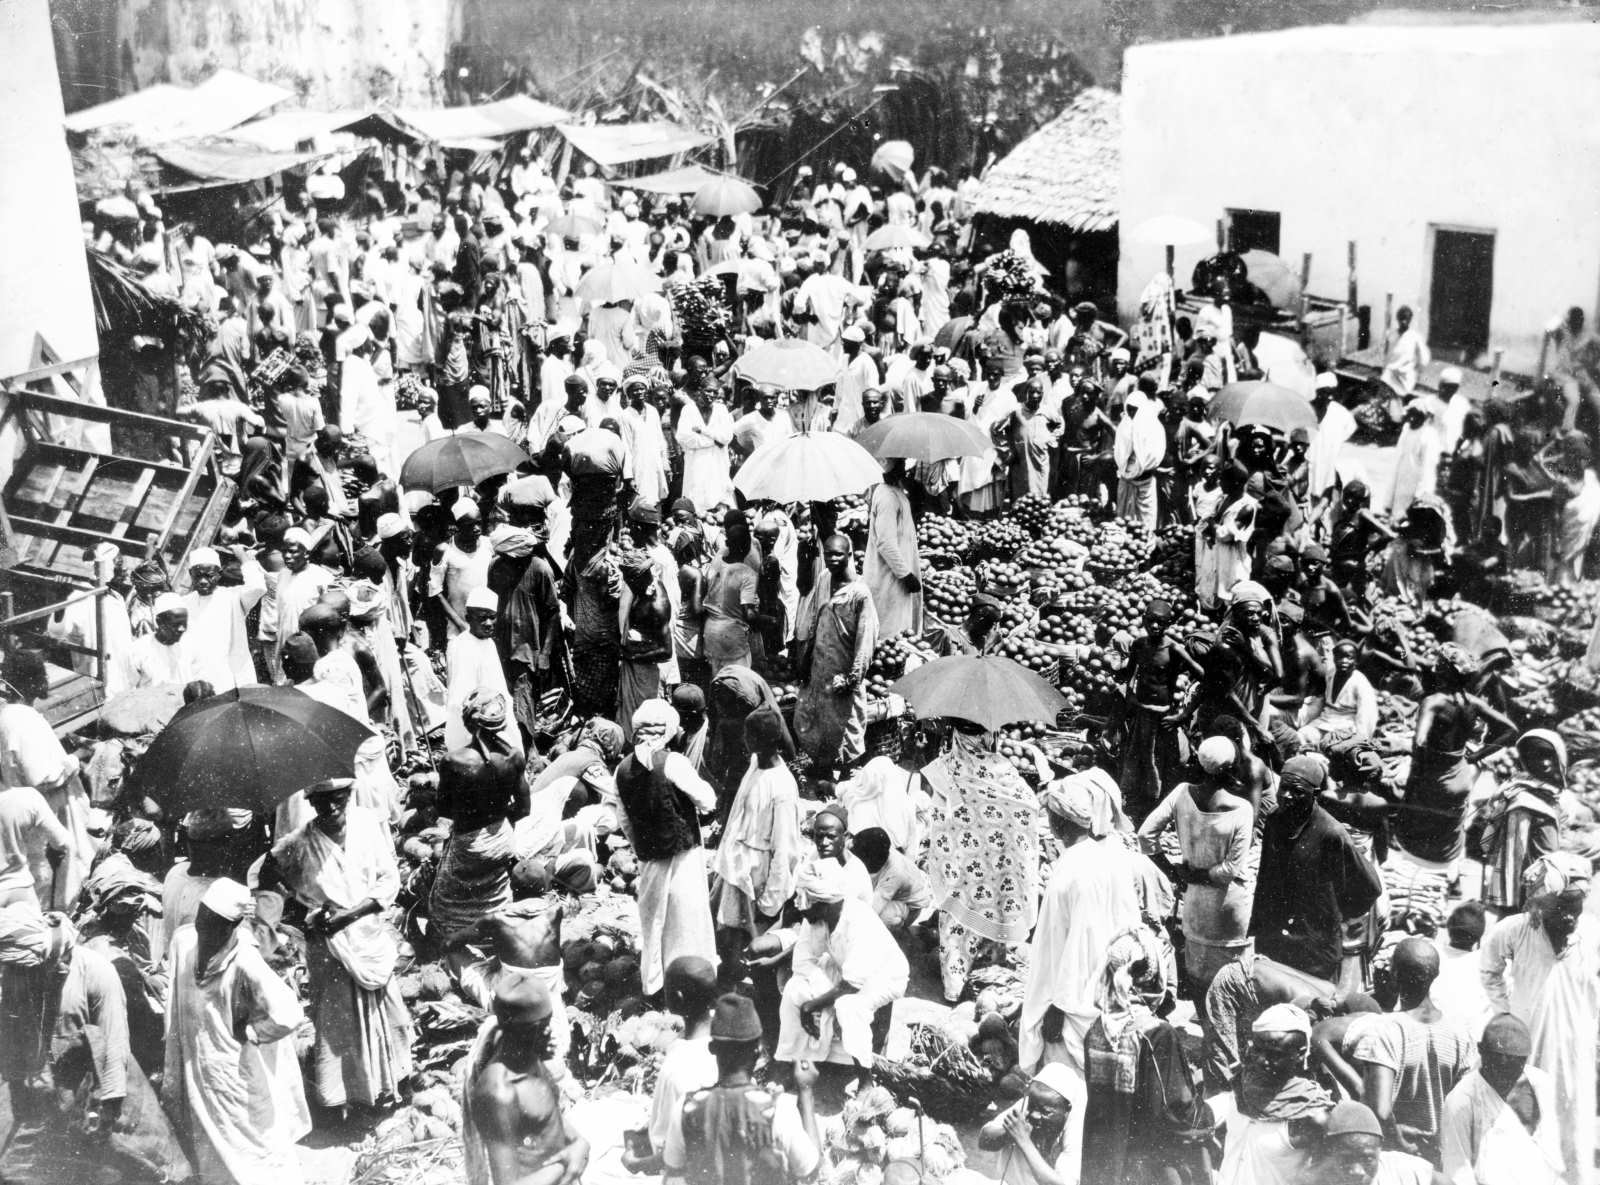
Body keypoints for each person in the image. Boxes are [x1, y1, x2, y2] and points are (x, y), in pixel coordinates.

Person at [261, 779, 413, 1115]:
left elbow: (389, 879)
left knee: (390, 1015)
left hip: (368, 937)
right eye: (322, 802)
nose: (331, 808)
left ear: (349, 796)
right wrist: (303, 905)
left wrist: (350, 914)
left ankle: (397, 1081)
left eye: (338, 799)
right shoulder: (300, 842)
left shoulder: (366, 825)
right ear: (311, 804)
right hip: (330, 945)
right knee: (338, 1024)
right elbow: (266, 873)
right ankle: (349, 1098)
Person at [164, 878, 311, 1185]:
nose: (204, 929)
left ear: (231, 926)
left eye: (213, 924)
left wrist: (255, 1032)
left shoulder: (244, 959)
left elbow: (288, 1012)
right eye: (202, 918)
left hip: (231, 1070)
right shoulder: (184, 941)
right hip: (197, 1062)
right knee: (208, 1140)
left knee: (249, 1140)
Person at [1479, 853, 1599, 1185]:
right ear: (1540, 908)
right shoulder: (1517, 930)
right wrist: (1504, 1013)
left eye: (1575, 909)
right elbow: (1488, 970)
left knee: (1575, 1123)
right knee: (1525, 1121)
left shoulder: (1593, 934)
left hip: (1575, 1052)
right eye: (1562, 909)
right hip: (1528, 1045)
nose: (1570, 917)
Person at [1019, 772, 1141, 1073]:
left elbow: (1070, 946)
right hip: (1107, 992)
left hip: (1074, 1002)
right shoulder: (1113, 857)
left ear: (1059, 822)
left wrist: (1057, 1007)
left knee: (1066, 1079)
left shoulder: (1071, 868)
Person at [1079, 928, 1212, 1185]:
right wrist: (1209, 1111)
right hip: (1147, 1166)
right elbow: (1177, 1111)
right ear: (1153, 976)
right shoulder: (1157, 1034)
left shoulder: (1097, 1030)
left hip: (1103, 1163)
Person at [925, 722, 1044, 1003]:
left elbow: (938, 820)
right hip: (998, 866)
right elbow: (1029, 806)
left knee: (957, 921)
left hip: (959, 866)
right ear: (989, 735)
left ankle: (954, 987)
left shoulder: (941, 770)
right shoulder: (1003, 770)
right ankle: (989, 979)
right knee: (997, 913)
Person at [761, 861, 908, 1082]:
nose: (800, 906)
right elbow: (802, 962)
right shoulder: (815, 916)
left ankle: (865, 1080)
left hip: (883, 975)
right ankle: (795, 1059)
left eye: (805, 900)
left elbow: (852, 984)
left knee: (848, 1007)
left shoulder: (858, 919)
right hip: (844, 967)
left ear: (825, 903)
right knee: (794, 989)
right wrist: (812, 994)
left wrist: (813, 1005)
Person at [1138, 736, 1257, 999]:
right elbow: (1230, 870)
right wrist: (1199, 875)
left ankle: (1205, 1022)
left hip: (1195, 904)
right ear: (1231, 767)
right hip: (1229, 907)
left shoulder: (1181, 793)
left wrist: (1174, 873)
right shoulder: (1241, 809)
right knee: (1232, 982)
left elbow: (1145, 835)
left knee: (1198, 977)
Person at [615, 699, 719, 996]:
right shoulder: (673, 762)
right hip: (683, 854)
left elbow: (624, 820)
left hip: (650, 859)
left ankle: (655, 986)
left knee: (655, 923)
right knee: (687, 922)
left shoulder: (622, 769)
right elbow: (707, 799)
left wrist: (642, 845)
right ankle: (694, 985)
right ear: (668, 731)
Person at [1340, 938, 1474, 1166]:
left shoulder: (1386, 1029)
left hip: (1395, 1157)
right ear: (1436, 975)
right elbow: (1464, 1105)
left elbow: (1381, 1111)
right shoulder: (1460, 1032)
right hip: (1437, 1156)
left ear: (1394, 976)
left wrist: (1398, 1139)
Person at [1251, 755, 1382, 983]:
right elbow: (1265, 877)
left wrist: (1335, 915)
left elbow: (1370, 887)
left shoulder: (1331, 833)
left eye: (1297, 791)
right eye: (1283, 788)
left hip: (1315, 947)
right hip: (1275, 940)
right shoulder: (1274, 819)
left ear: (1315, 794)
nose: (1286, 796)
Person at [670, 994, 822, 1185]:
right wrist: (806, 1091)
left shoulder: (685, 1107)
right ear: (758, 1050)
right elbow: (810, 1172)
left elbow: (672, 1174)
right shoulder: (778, 1109)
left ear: (712, 1048)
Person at [462, 977, 589, 1185]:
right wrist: (564, 1164)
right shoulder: (499, 1092)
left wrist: (579, 1143)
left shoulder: (531, 1058)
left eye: (548, 1022)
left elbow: (546, 1119)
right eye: (539, 1027)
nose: (548, 1031)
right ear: (514, 1031)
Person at [429, 689, 529, 945]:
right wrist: (498, 821)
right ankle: (496, 930)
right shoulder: (514, 755)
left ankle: (458, 938)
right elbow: (524, 808)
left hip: (470, 846)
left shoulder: (453, 760)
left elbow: (444, 810)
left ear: (469, 722)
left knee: (447, 900)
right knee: (496, 892)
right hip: (503, 840)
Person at [1208, 1004, 1333, 1185]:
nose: (1261, 1060)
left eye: (1274, 1054)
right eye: (1257, 1049)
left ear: (1300, 1054)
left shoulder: (1311, 1112)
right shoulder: (1242, 1089)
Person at [712, 710, 804, 951]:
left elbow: (785, 848)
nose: (744, 739)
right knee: (727, 936)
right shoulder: (755, 764)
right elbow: (738, 816)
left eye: (748, 735)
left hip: (757, 877)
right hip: (736, 867)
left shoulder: (782, 786)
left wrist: (771, 900)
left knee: (749, 943)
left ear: (762, 740)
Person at [622, 956, 720, 1178]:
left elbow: (677, 1152)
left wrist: (635, 1163)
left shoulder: (678, 1069)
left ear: (678, 997)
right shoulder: (726, 1039)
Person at [1440, 1013, 1565, 1185]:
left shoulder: (1542, 1084)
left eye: (1515, 1064)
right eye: (1498, 1064)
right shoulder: (1462, 1100)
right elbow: (1458, 1172)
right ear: (1481, 1051)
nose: (1505, 1075)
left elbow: (1551, 1154)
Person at [793, 533, 879, 773]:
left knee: (846, 726)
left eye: (838, 555)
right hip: (820, 668)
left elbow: (866, 640)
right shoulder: (824, 578)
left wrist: (853, 679)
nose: (832, 559)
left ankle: (848, 776)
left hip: (842, 672)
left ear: (849, 555)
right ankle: (823, 771)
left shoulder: (860, 594)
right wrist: (805, 660)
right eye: (828, 554)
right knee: (814, 722)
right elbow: (816, 621)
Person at [1474, 730, 1566, 916]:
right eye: (1536, 757)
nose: (1545, 763)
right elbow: (1514, 857)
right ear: (1526, 760)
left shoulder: (1549, 792)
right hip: (1530, 890)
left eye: (1549, 756)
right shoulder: (1523, 801)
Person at [445, 588, 524, 754]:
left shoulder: (489, 643)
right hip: (475, 724)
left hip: (497, 716)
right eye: (482, 618)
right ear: (468, 618)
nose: (488, 623)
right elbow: (461, 699)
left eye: (492, 617)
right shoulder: (461, 646)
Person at [979, 1062, 1083, 1185]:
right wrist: (1007, 1134)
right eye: (1032, 1106)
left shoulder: (1076, 1128)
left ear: (1067, 1110)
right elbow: (983, 1141)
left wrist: (1023, 1140)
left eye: (1045, 1112)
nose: (1035, 1115)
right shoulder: (1031, 1103)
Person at [181, 544, 265, 691]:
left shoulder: (233, 597)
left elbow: (258, 587)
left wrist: (242, 556)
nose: (203, 581)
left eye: (209, 575)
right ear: (190, 574)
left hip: (229, 680)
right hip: (197, 682)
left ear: (219, 574)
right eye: (198, 575)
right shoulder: (184, 603)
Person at [1294, 1101, 1439, 1185]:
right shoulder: (1313, 1181)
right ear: (1330, 1152)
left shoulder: (1398, 1168)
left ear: (1379, 1151)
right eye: (1346, 1159)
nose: (1357, 1171)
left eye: (1368, 1159)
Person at [864, 460, 922, 637]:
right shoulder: (887, 497)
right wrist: (906, 575)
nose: (903, 468)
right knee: (890, 632)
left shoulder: (894, 491)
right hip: (890, 577)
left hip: (894, 573)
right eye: (900, 464)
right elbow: (886, 543)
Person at [851, 826, 931, 933]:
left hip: (909, 908)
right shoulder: (876, 849)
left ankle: (896, 930)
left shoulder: (896, 873)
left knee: (876, 921)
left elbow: (873, 909)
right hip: (891, 892)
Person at [1113, 388, 1165, 530]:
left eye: (1134, 410)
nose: (1131, 413)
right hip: (1127, 480)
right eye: (1128, 409)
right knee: (1124, 522)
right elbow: (1121, 452)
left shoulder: (1154, 428)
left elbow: (1153, 456)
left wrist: (1141, 466)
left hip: (1145, 483)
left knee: (1145, 522)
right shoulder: (1124, 426)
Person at [1382, 306, 1430, 398]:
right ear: (1397, 319)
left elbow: (1424, 358)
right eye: (1401, 319)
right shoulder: (1392, 335)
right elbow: (1386, 355)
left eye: (1406, 319)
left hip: (1405, 375)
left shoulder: (1415, 337)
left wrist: (1417, 371)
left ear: (1410, 320)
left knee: (1397, 396)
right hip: (1390, 373)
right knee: (1382, 390)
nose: (1403, 321)